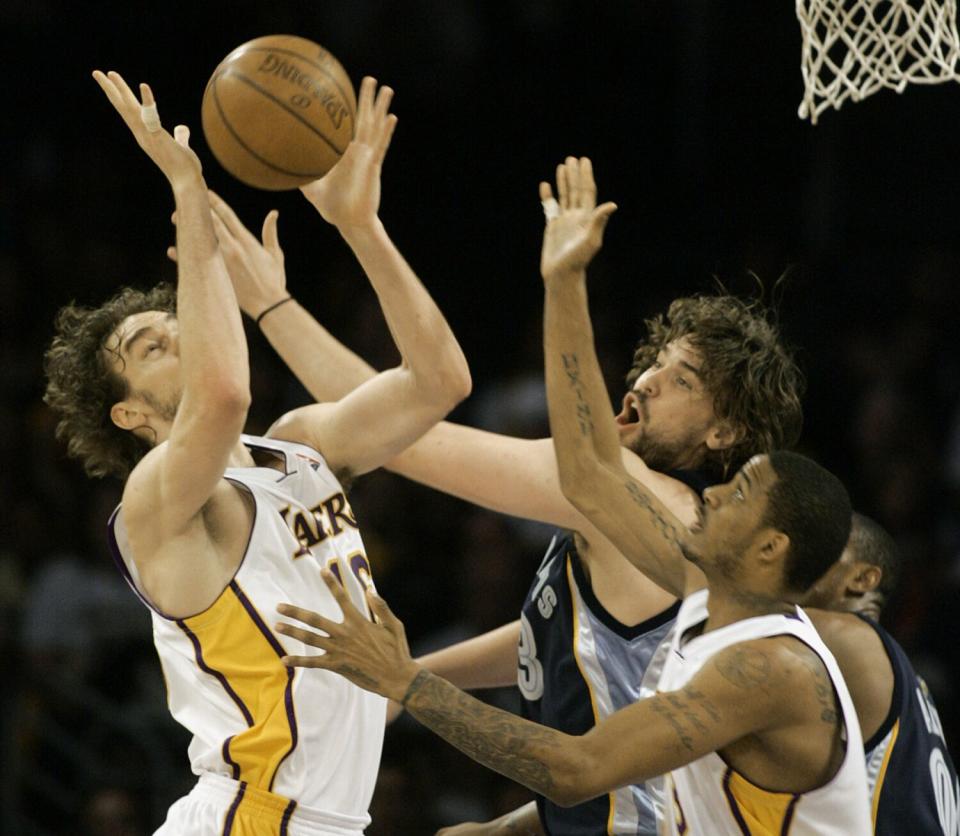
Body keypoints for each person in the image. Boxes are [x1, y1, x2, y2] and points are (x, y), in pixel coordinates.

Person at [206, 155, 804, 835]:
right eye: (654, 361)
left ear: (725, 432)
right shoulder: (643, 528)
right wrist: (417, 684)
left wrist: (280, 303)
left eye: (684, 380)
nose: (647, 380)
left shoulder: (641, 496)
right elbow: (563, 637)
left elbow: (402, 436)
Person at [42, 71, 471, 835]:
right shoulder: (155, 502)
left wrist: (362, 227)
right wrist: (188, 192)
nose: (176, 332)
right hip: (253, 817)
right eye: (151, 345)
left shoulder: (301, 447)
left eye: (175, 322)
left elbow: (440, 381)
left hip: (323, 820)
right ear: (130, 411)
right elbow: (223, 396)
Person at [803, 515, 959, 835]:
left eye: (819, 547)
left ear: (862, 579)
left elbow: (738, 609)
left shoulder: (849, 639)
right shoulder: (897, 670)